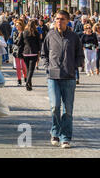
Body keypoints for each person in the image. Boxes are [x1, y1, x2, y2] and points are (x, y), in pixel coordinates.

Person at [41, 10, 84, 149]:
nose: (59, 21)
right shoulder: (50, 35)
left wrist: (74, 66)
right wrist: (47, 67)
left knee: (68, 110)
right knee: (55, 106)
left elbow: (80, 55)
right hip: (53, 77)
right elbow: (44, 54)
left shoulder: (74, 37)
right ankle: (55, 132)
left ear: (67, 21)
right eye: (57, 19)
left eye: (62, 19)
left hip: (69, 77)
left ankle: (65, 137)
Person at [18, 20, 41, 91]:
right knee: (31, 70)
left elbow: (19, 43)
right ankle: (28, 82)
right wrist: (39, 51)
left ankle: (29, 84)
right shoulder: (36, 33)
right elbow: (39, 44)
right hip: (34, 52)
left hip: (26, 53)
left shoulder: (23, 33)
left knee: (28, 69)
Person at [12, 20, 27, 86]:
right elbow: (15, 42)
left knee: (23, 66)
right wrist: (19, 36)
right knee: (18, 67)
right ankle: (19, 80)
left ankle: (25, 77)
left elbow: (26, 42)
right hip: (16, 51)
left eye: (18, 25)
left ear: (21, 25)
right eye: (16, 25)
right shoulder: (15, 33)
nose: (17, 27)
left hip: (23, 50)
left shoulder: (25, 32)